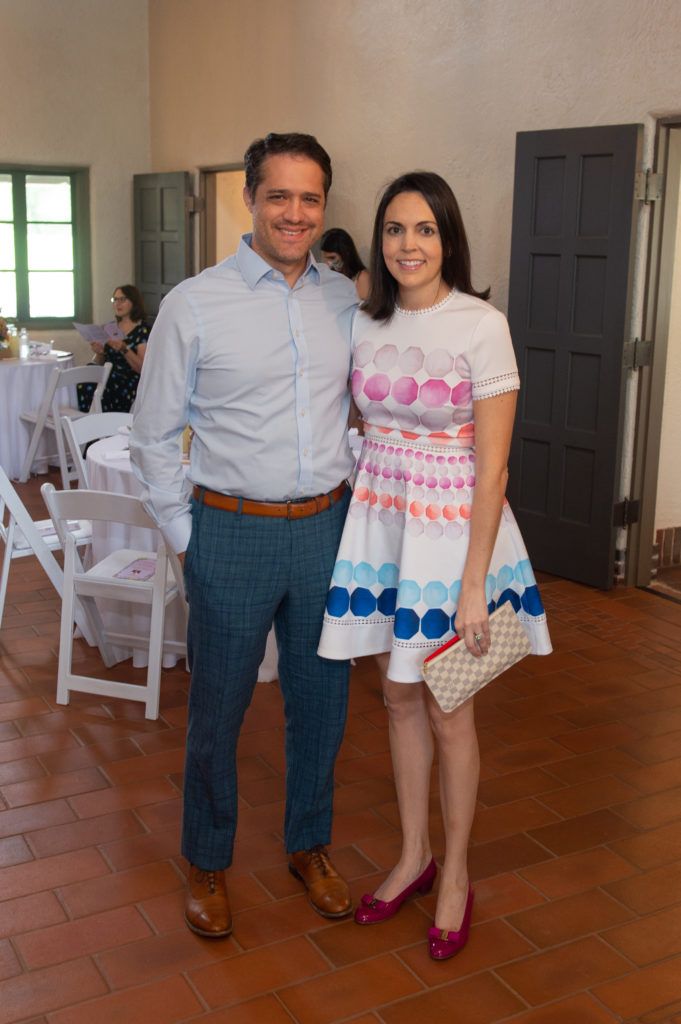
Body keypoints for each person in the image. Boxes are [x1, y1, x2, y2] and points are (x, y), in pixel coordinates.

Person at [318, 171, 552, 960]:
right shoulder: (362, 322)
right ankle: (412, 854)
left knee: (450, 706)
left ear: (447, 238)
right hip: (382, 524)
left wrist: (473, 583)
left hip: (452, 535)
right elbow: (354, 420)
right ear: (378, 242)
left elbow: (493, 470)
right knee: (393, 693)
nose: (407, 245)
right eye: (393, 230)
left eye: (423, 229)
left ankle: (454, 871)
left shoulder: (480, 326)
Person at [129, 132, 358, 939]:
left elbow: (357, 412)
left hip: (326, 531)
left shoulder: (344, 301)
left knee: (322, 705)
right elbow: (151, 434)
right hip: (228, 532)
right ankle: (208, 861)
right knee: (218, 711)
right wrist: (187, 536)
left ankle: (309, 846)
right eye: (278, 195)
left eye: (309, 198)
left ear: (322, 206)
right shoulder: (195, 304)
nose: (293, 213)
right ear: (249, 198)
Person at [77, 284, 149, 412]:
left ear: (134, 301)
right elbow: (99, 362)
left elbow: (141, 368)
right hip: (107, 374)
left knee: (101, 389)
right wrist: (99, 353)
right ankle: (87, 426)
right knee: (84, 379)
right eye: (115, 300)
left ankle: (102, 427)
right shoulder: (110, 327)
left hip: (128, 380)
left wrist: (124, 348)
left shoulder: (142, 330)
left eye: (122, 299)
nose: (117, 304)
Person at [320, 227, 370, 300]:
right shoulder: (332, 275)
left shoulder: (362, 278)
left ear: (346, 253)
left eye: (332, 258)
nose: (329, 263)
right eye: (326, 258)